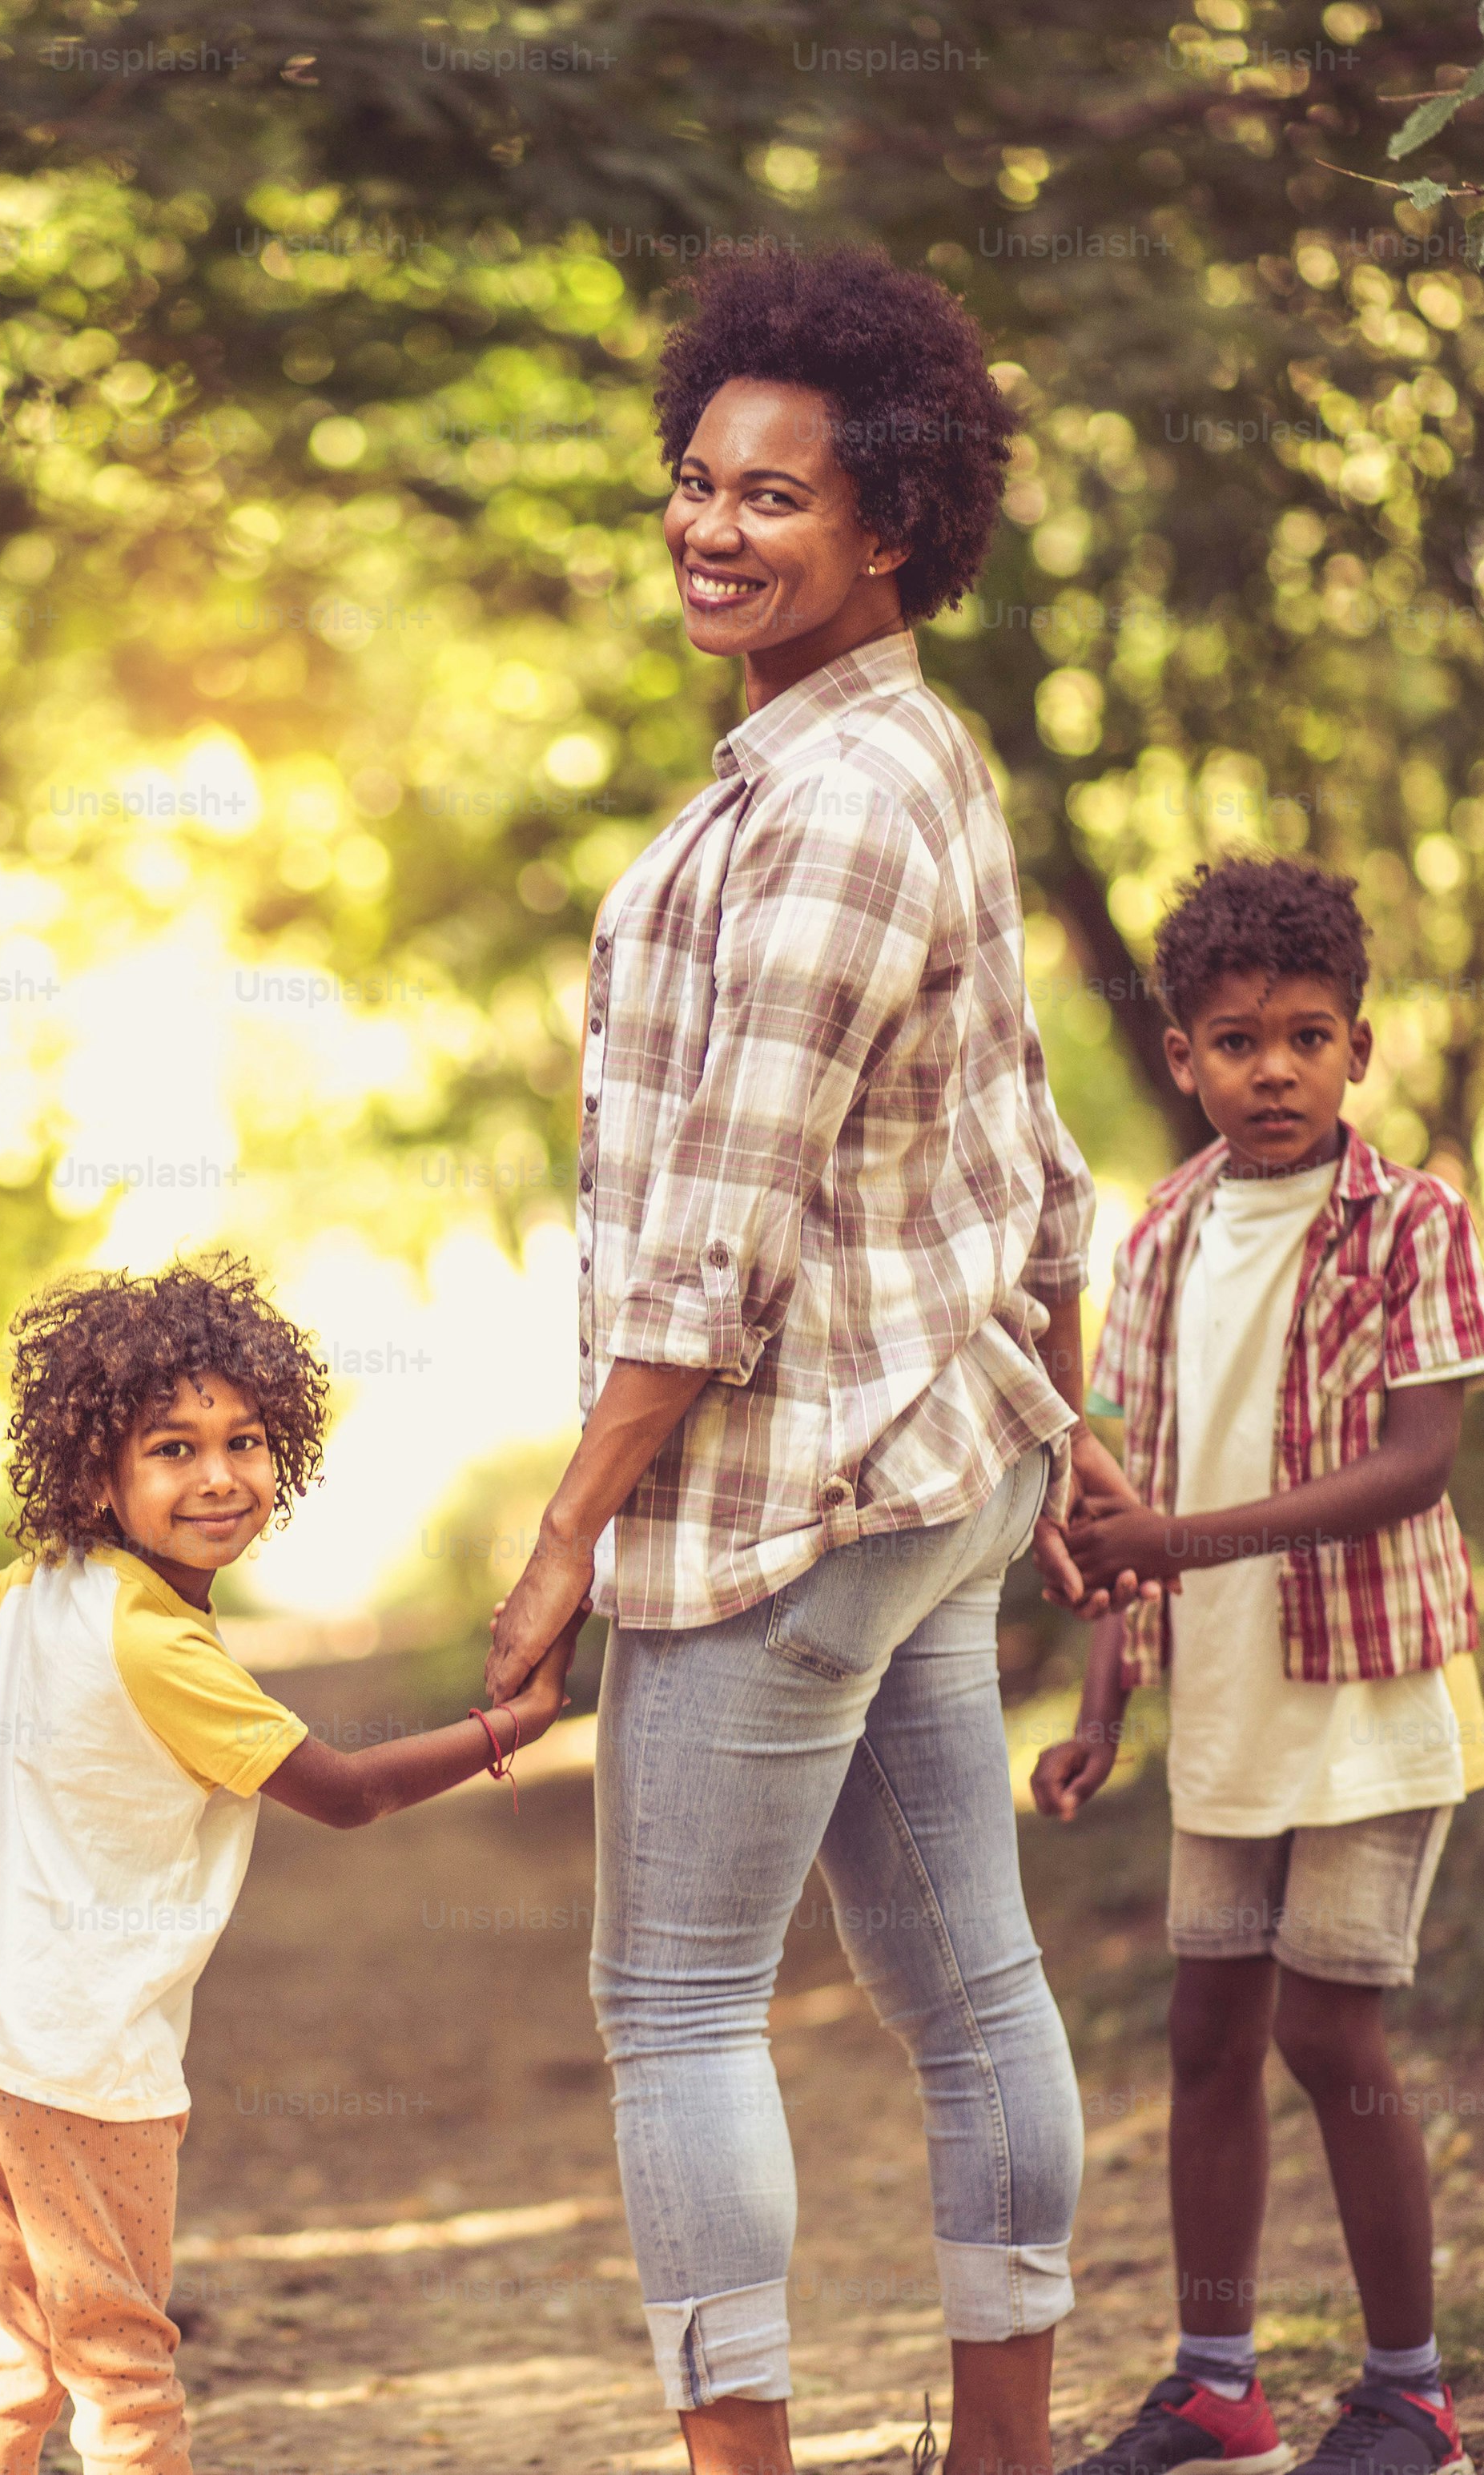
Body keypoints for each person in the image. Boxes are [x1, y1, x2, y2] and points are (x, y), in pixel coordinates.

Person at [479, 245, 1108, 2475]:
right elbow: (1033, 1153)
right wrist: (1076, 1432)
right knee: (972, 1997)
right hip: (930, 1479)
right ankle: (1005, 2451)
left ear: (892, 529)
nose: (710, 529)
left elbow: (712, 1254)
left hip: (784, 1508)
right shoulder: (907, 756)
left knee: (673, 2008)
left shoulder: (832, 807)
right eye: (692, 481)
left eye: (773, 498)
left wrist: (564, 1533)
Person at [0, 1255, 573, 2475]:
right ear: (100, 1467)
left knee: (23, 2349)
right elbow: (346, 1794)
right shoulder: (157, 1643)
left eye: (244, 1439)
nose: (219, 1474)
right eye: (173, 1447)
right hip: (86, 2073)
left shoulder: (48, 1585)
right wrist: (518, 1725)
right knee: (125, 2372)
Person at [1029, 856, 1484, 2475]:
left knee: (1325, 2032)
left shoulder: (1408, 1222)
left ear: (1357, 1048)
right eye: (1234, 1042)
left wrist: (1185, 1543)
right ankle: (1217, 2382)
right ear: (1180, 1059)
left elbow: (1414, 1463)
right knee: (1203, 2034)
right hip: (1223, 1698)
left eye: (1306, 1037)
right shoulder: (1158, 1235)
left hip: (1369, 1692)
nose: (1272, 1070)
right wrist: (1102, 1704)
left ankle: (1410, 2397)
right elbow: (1121, 1489)